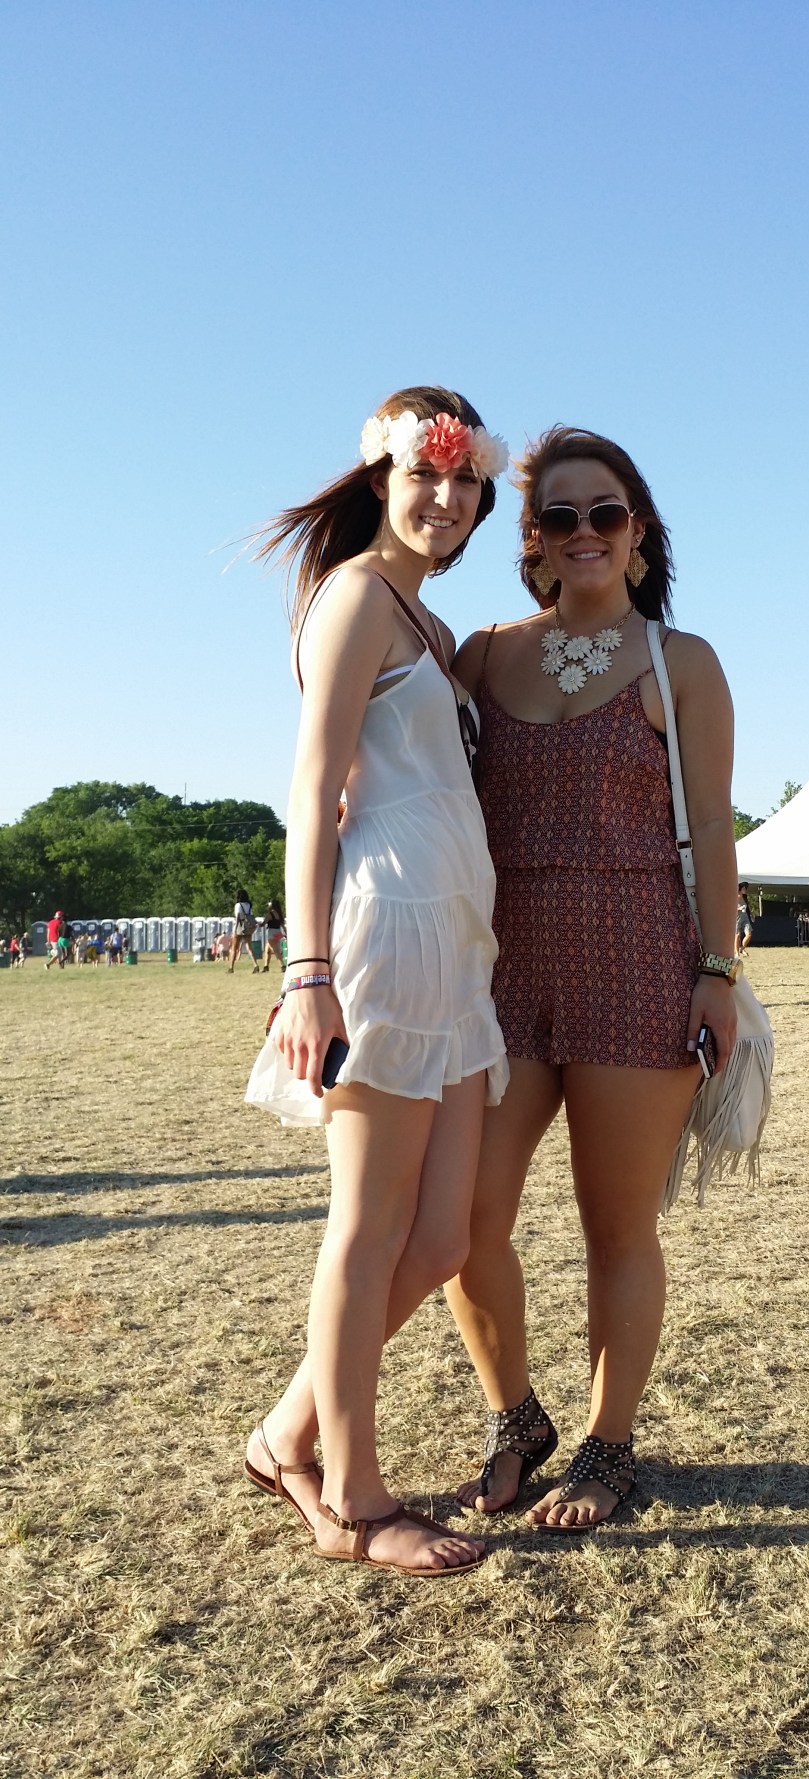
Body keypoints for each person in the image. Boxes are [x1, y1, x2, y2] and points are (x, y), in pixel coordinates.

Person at [444, 425, 740, 1531]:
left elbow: (711, 826)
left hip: (638, 957)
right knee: (465, 1218)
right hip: (499, 967)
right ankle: (514, 1415)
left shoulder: (683, 662)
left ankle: (610, 1447)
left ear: (639, 530)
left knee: (616, 1227)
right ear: (528, 536)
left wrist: (716, 969)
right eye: (557, 516)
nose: (582, 534)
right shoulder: (481, 652)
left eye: (602, 513)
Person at [242, 386, 509, 1575]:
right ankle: (351, 1493)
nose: (446, 499)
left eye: (465, 483)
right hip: (381, 940)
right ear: (381, 479)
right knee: (367, 1229)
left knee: (442, 1235)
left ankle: (287, 1435)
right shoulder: (354, 597)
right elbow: (311, 790)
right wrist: (307, 973)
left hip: (456, 945)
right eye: (427, 475)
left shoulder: (432, 627)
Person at [229, 889, 260, 973]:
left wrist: (235, 929)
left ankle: (231, 967)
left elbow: (238, 916)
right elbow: (251, 915)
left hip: (239, 926)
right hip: (248, 926)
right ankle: (255, 964)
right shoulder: (249, 905)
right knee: (249, 947)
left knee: (234, 947)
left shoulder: (238, 905)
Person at [261, 898, 285, 973]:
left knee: (275, 950)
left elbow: (263, 923)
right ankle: (266, 966)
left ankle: (282, 966)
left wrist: (256, 924)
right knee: (267, 950)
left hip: (272, 933)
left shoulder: (270, 914)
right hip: (278, 932)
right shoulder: (279, 914)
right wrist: (285, 933)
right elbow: (282, 925)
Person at [735, 883, 754, 955]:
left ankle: (742, 948)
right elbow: (731, 908)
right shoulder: (735, 897)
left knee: (749, 934)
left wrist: (752, 914)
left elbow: (748, 908)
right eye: (743, 888)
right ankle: (737, 952)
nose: (745, 890)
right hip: (737, 917)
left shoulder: (745, 897)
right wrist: (739, 908)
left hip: (745, 917)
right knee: (737, 935)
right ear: (740, 889)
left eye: (745, 888)